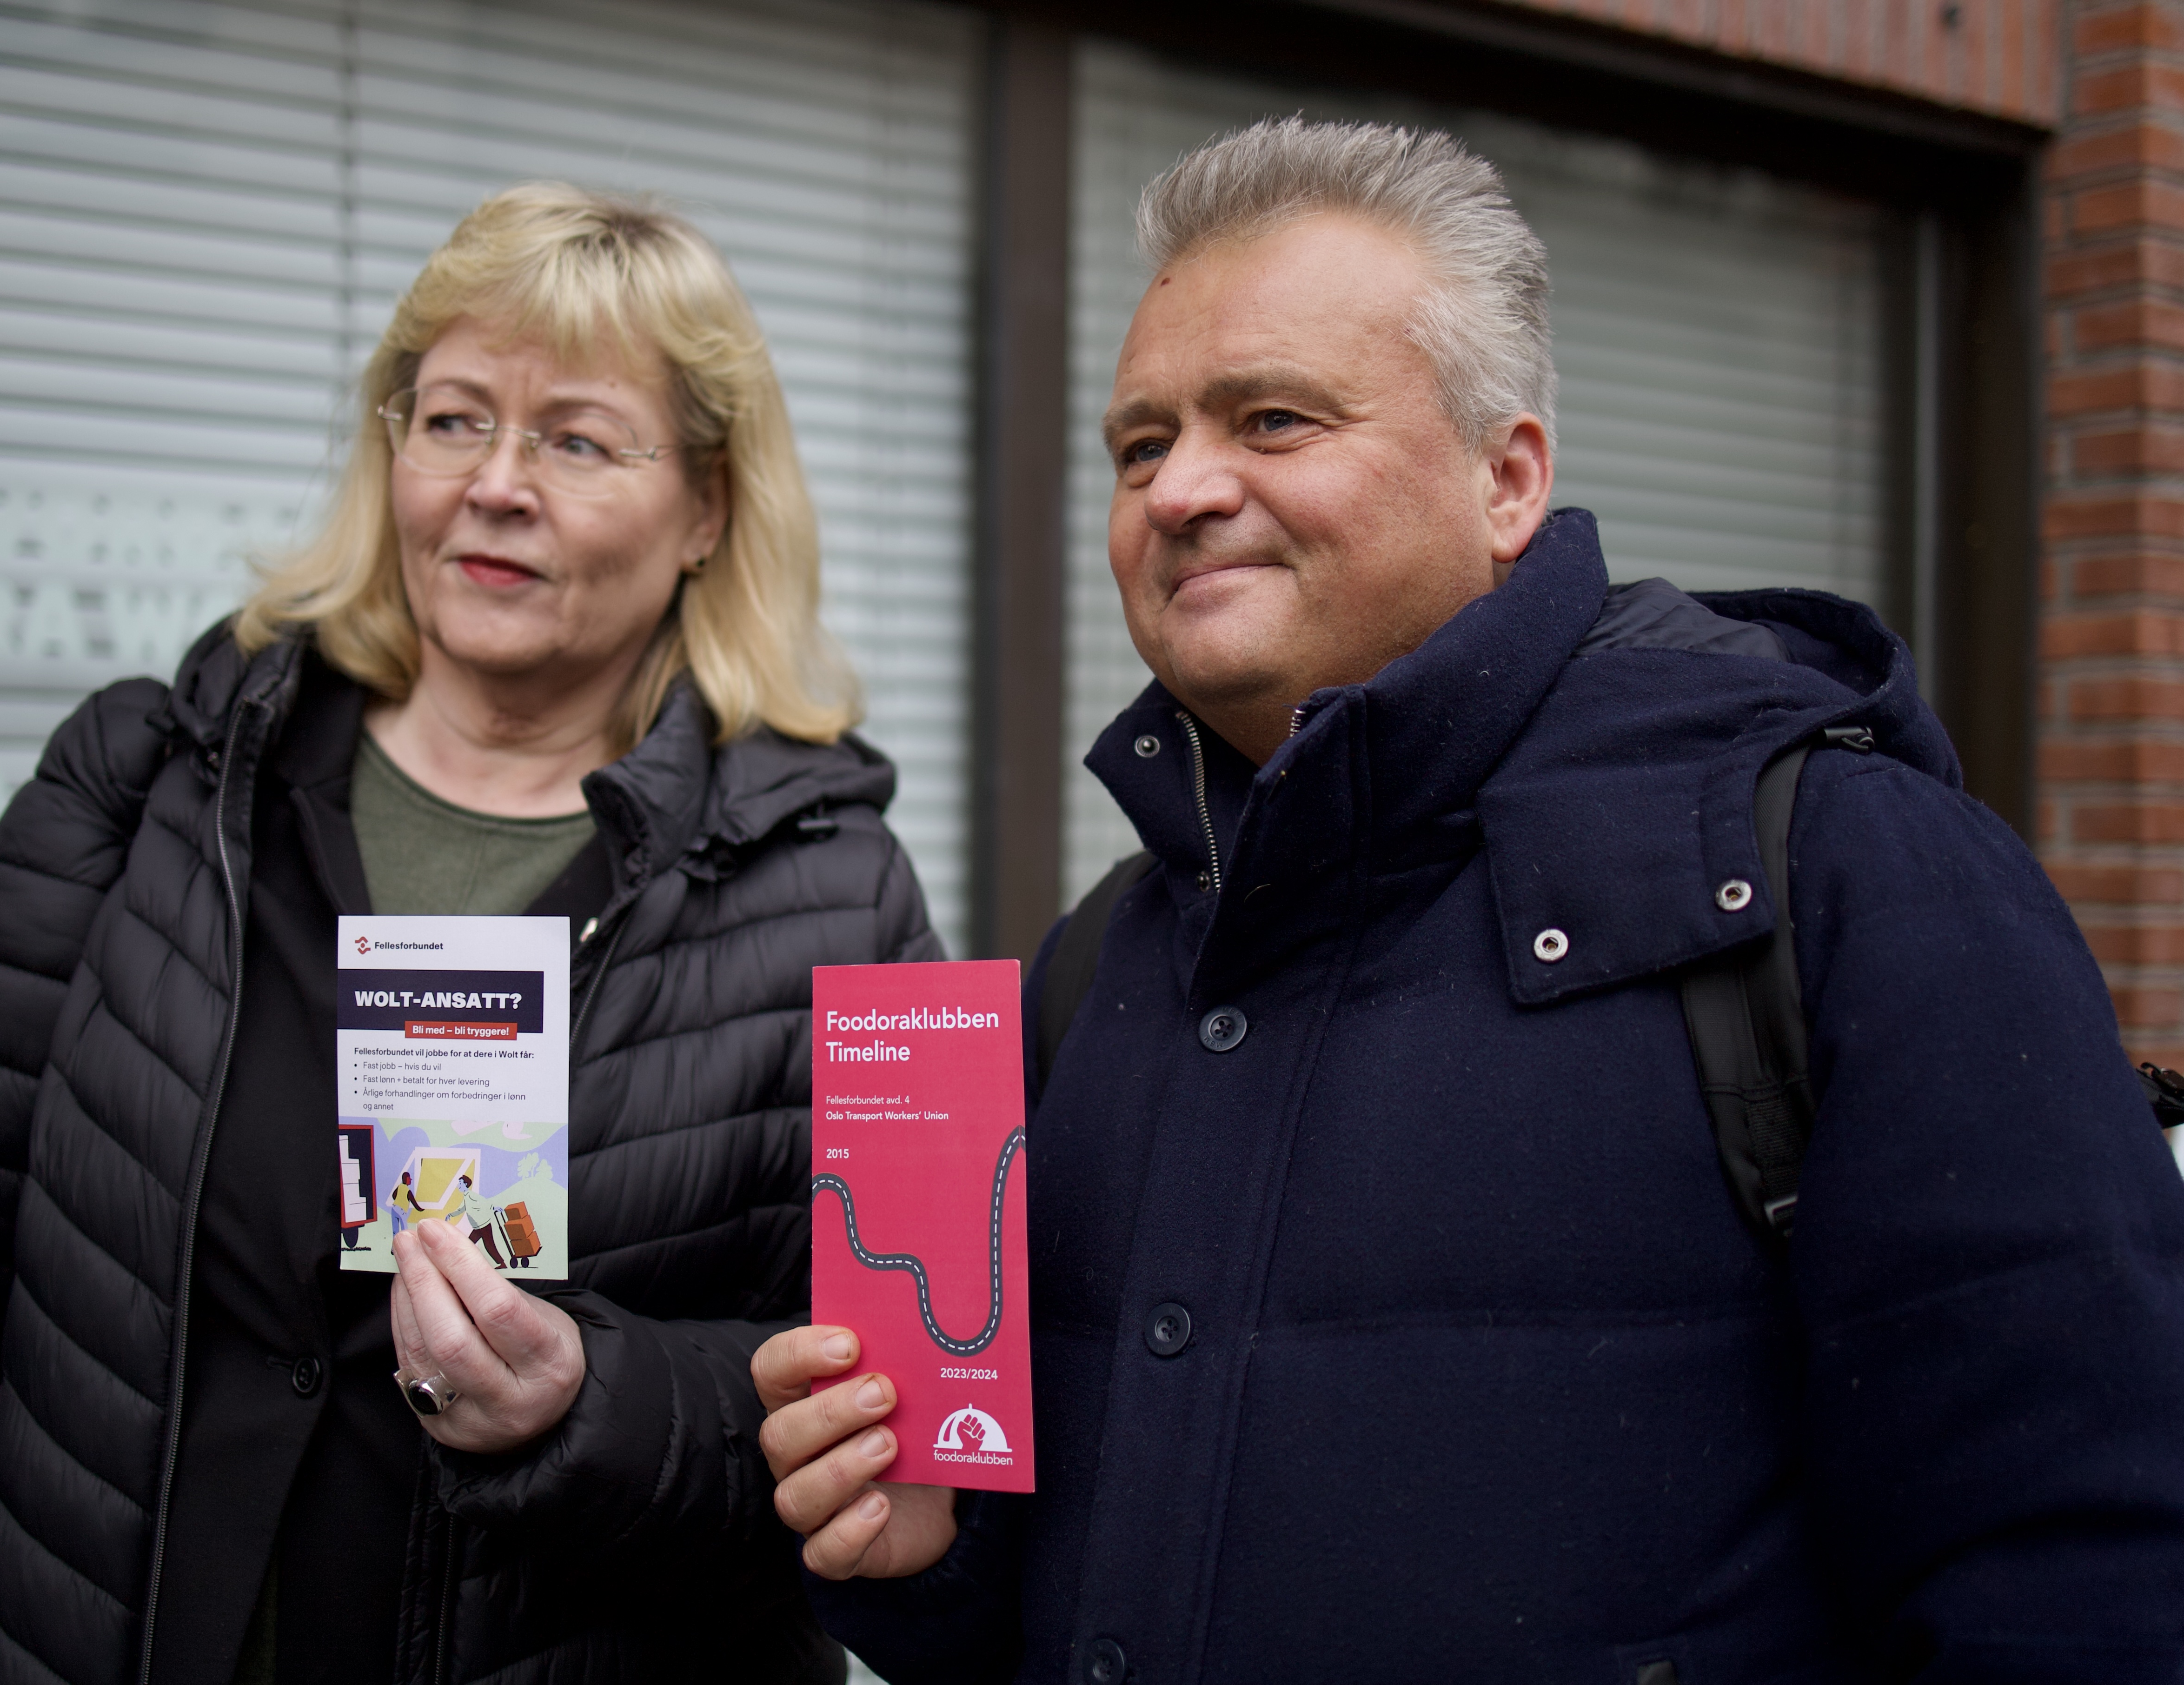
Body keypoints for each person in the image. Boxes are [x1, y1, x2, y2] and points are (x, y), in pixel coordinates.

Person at [755, 119, 2184, 1681]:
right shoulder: (1101, 960)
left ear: (1505, 481)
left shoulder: (1850, 880)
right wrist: (928, 1560)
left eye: (1273, 420)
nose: (1178, 491)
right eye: (1140, 443)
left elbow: (2078, 1574)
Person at [0, 183, 939, 1685]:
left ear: (707, 507)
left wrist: (595, 1398)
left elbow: (894, 1412)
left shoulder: (829, 886)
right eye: (450, 420)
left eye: (574, 439)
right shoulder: (154, 783)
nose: (495, 484)